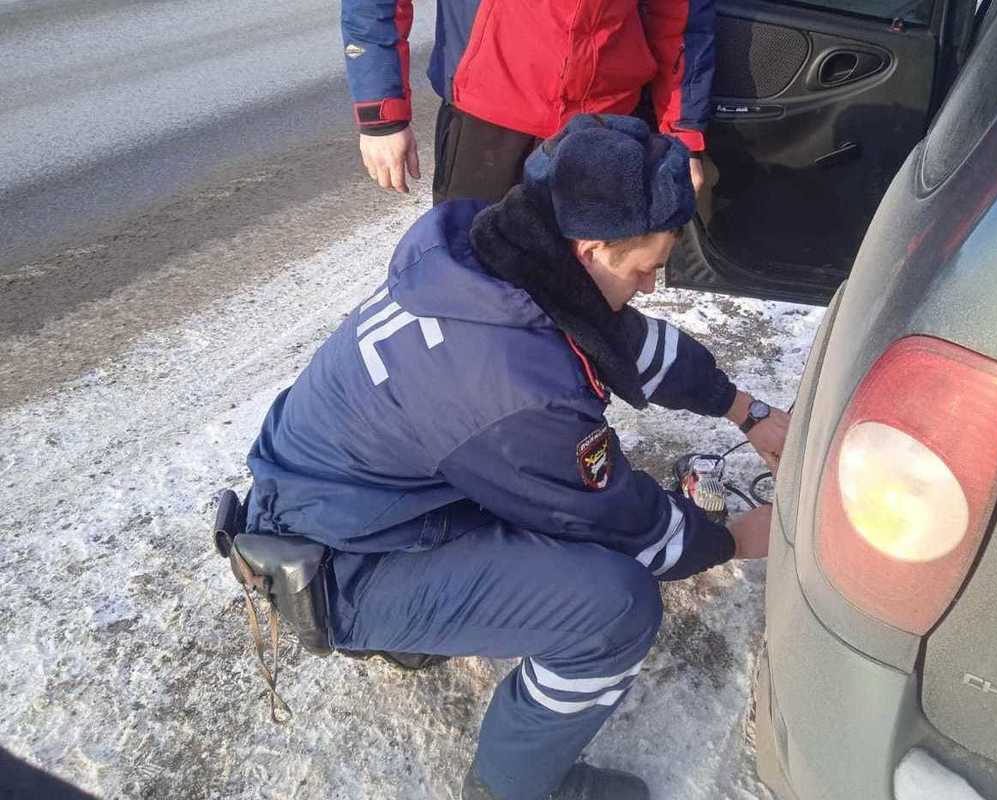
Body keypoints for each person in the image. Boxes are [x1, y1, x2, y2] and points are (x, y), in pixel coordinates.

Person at [243, 115, 787, 800]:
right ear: (590, 250)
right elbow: (626, 524)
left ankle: (426, 619)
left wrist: (749, 411)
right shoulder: (518, 389)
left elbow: (625, 343)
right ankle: (514, 786)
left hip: (341, 500)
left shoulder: (489, 253)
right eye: (647, 269)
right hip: (342, 567)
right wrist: (734, 539)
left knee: (556, 513)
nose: (652, 287)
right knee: (616, 605)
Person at [341, 0, 714, 202]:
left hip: (605, 127)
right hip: (485, 123)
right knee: (475, 294)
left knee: (583, 300)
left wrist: (683, 134)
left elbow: (681, 18)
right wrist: (381, 115)